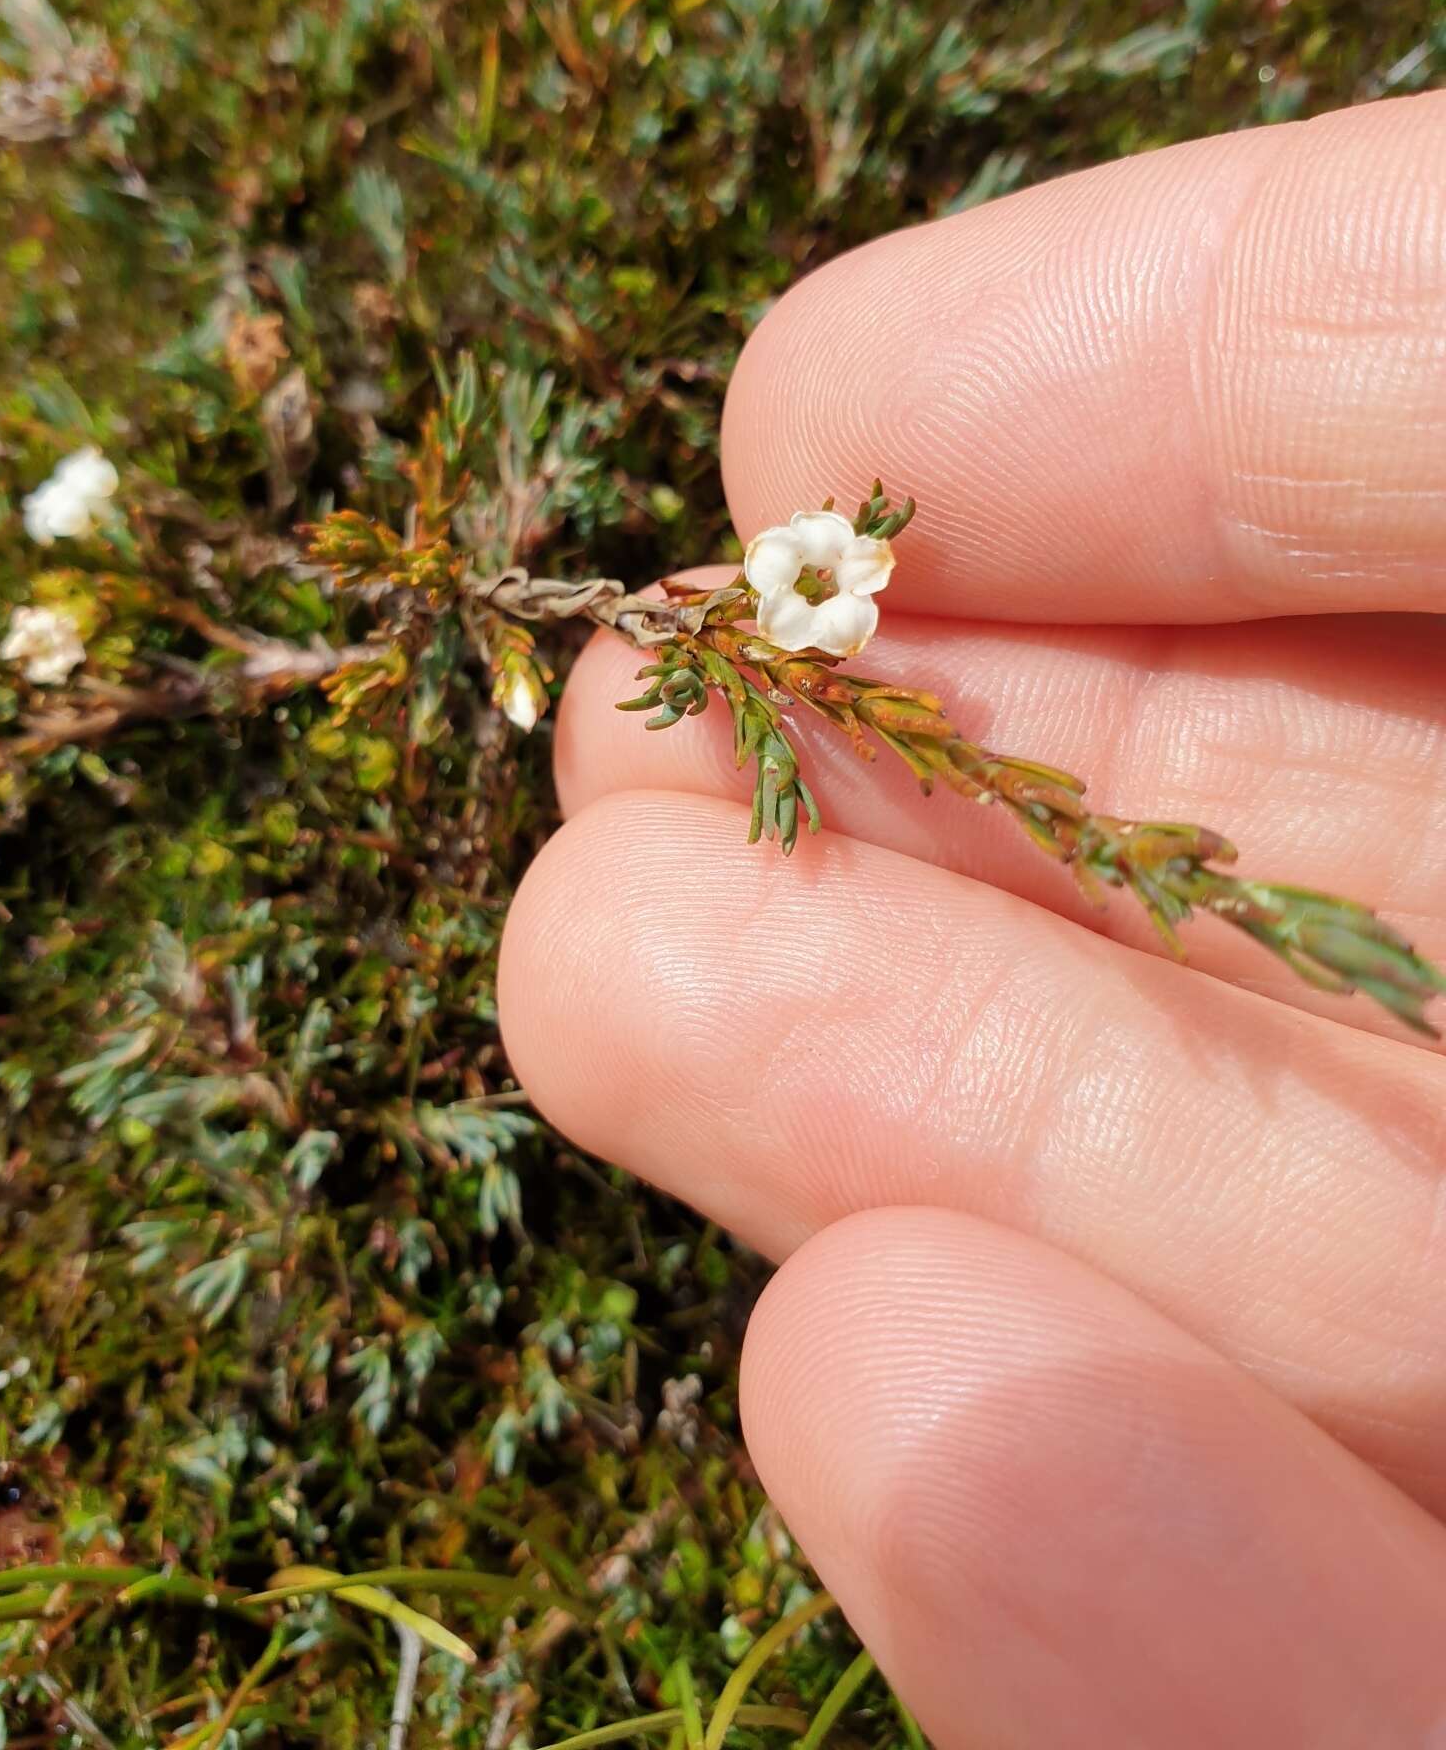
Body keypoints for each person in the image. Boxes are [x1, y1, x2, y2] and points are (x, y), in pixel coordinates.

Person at [500, 92, 1446, 1746]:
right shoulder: (810, 595)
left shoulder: (835, 588)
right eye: (817, 581)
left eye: (827, 578)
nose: (820, 579)